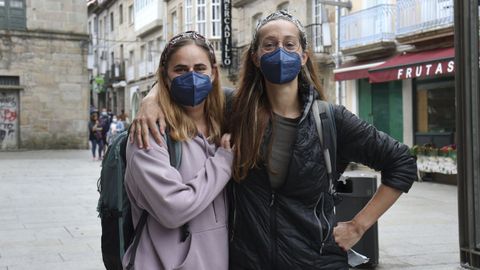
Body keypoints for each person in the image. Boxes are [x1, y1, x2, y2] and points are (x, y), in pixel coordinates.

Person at [132, 11, 417, 270]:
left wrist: (358, 225)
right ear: (255, 56)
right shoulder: (236, 109)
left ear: (304, 55)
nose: (280, 52)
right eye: (269, 45)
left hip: (317, 261)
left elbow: (401, 162)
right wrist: (151, 97)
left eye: (290, 44)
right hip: (248, 262)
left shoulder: (330, 119)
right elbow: (192, 78)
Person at [122, 31, 233, 270]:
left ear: (213, 73)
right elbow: (174, 209)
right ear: (165, 76)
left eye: (200, 68)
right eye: (180, 70)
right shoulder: (149, 132)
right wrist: (224, 161)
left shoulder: (225, 122)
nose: (192, 77)